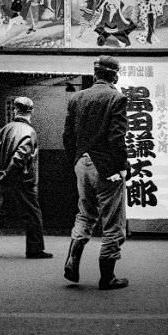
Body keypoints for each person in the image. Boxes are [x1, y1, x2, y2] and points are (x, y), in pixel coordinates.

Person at [62, 56, 130, 290]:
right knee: (112, 221)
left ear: (95, 74)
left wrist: (76, 160)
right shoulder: (117, 98)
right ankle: (107, 276)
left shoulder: (77, 98)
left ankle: (72, 259)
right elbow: (116, 138)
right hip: (106, 166)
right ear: (115, 76)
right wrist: (120, 167)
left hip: (81, 163)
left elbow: (67, 136)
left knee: (85, 213)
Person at [0, 97, 53, 259]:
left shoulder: (5, 129)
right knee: (33, 214)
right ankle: (34, 249)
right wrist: (8, 173)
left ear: (15, 110)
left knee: (2, 210)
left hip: (6, 179)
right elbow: (20, 157)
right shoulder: (30, 132)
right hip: (23, 181)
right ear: (31, 112)